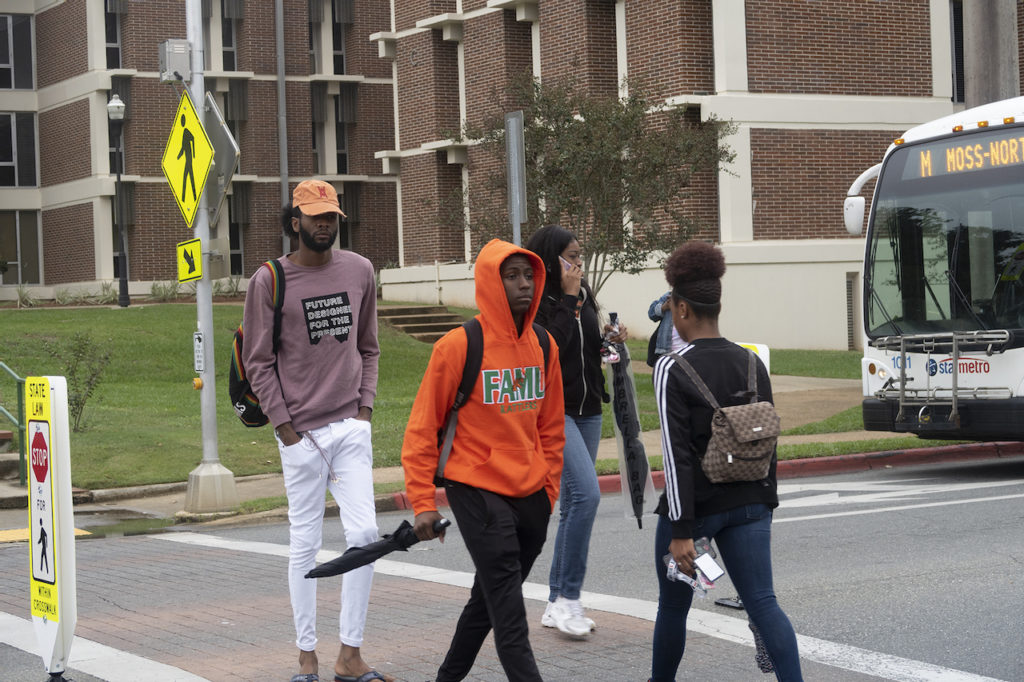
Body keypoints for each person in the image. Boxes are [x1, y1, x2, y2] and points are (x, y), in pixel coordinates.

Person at [243, 179, 388, 682]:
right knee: (304, 544)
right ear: (295, 221)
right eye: (314, 216)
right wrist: (284, 428)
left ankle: (350, 654)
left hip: (349, 427)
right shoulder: (269, 281)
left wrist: (364, 410)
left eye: (331, 215)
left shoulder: (360, 270)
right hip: (299, 436)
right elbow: (257, 361)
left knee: (366, 534)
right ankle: (307, 655)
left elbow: (369, 346)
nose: (324, 223)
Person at [402, 238, 565, 682]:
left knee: (488, 602)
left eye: (528, 275)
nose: (523, 285)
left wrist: (548, 490)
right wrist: (422, 502)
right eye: (510, 276)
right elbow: (421, 431)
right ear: (491, 283)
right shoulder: (457, 346)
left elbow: (551, 428)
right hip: (476, 490)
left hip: (532, 495)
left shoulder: (544, 345)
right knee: (510, 619)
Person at [650, 240, 802, 681]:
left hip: (695, 512)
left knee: (673, 607)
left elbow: (676, 456)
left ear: (680, 309)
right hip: (752, 499)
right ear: (718, 304)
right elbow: (768, 438)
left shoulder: (671, 368)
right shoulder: (753, 362)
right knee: (763, 603)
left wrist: (681, 531)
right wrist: (765, 502)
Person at [524, 224, 627, 637]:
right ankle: (568, 598)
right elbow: (551, 346)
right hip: (555, 413)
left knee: (573, 505)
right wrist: (567, 299)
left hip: (588, 410)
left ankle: (556, 602)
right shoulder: (541, 302)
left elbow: (583, 350)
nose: (579, 264)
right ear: (552, 260)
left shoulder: (584, 297)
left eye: (581, 257)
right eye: (571, 257)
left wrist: (609, 339)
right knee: (587, 495)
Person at [647, 291, 688, 366]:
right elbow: (651, 314)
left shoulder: (696, 299)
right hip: (667, 352)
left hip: (688, 352)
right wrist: (664, 307)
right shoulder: (669, 296)